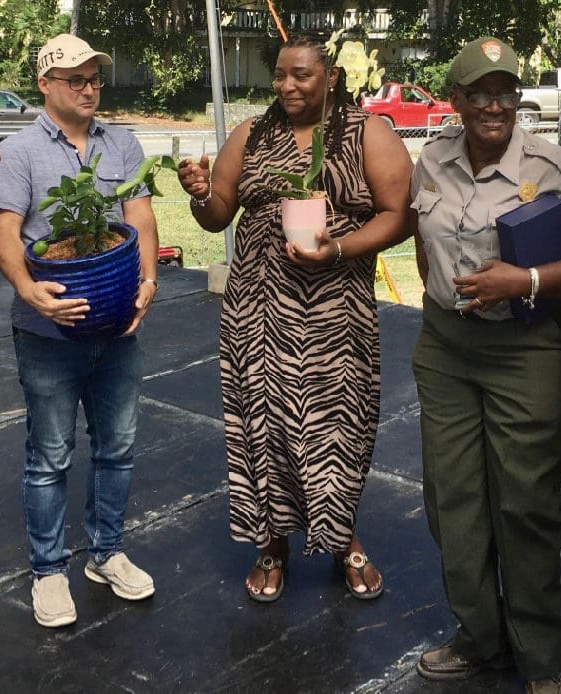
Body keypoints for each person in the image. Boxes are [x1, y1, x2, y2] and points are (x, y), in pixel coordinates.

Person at [176, 34, 412, 602]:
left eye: (301, 75)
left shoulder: (366, 132)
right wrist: (201, 193)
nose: (287, 86)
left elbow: (399, 215)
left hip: (336, 315)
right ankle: (273, 542)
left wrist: (338, 248)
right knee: (266, 427)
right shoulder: (251, 134)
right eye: (280, 75)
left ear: (329, 76)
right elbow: (215, 218)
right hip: (257, 313)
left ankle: (342, 537)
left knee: (336, 430)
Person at [410, 37, 561, 693]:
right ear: (456, 100)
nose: (495, 104)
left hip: (531, 349)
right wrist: (443, 302)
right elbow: (423, 244)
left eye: (506, 91)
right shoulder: (430, 158)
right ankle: (482, 638)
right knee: (452, 501)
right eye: (480, 92)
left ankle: (542, 660)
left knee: (525, 506)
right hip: (447, 348)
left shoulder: (551, 164)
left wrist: (524, 282)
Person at [0, 33, 159, 628]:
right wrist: (26, 288)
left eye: (94, 79)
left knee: (117, 446)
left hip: (116, 326)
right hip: (48, 330)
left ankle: (106, 553)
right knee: (50, 455)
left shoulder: (123, 143)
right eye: (75, 80)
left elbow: (139, 217)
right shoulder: (19, 153)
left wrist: (147, 281)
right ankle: (49, 571)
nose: (89, 89)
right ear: (45, 85)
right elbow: (7, 230)